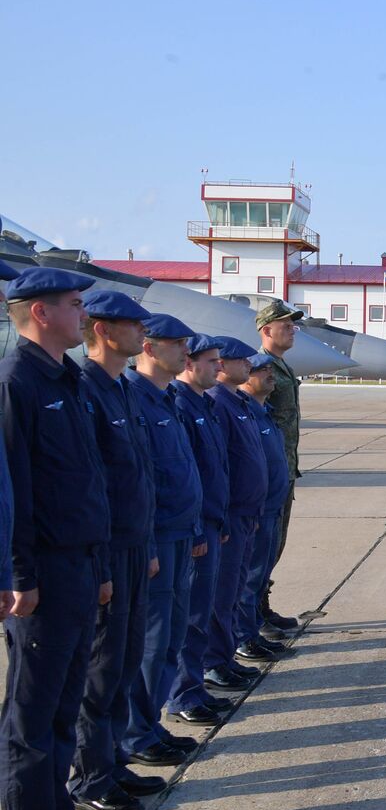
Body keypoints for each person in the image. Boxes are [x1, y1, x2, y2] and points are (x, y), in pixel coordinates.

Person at [0, 268, 116, 810]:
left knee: (64, 703)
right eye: (75, 306)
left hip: (78, 564)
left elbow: (87, 480)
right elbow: (13, 487)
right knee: (32, 713)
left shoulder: (67, 380)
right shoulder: (17, 382)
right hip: (41, 573)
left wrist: (98, 567)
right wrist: (19, 575)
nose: (83, 314)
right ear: (41, 313)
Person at [69, 292, 164, 810]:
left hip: (134, 546)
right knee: (101, 669)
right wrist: (103, 564)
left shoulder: (122, 391)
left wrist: (145, 545)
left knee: (125, 662)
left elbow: (138, 477)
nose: (140, 334)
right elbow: (94, 486)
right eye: (133, 325)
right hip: (107, 551)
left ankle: (114, 759)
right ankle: (91, 775)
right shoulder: (87, 390)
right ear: (104, 330)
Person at [121, 314, 203, 770]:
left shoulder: (166, 399)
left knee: (169, 636)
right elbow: (141, 481)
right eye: (177, 345)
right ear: (149, 348)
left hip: (179, 532)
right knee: (152, 642)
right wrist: (149, 543)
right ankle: (136, 733)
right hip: (156, 539)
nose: (185, 354)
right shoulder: (135, 397)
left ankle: (148, 725)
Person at [166, 334, 235, 726]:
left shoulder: (202, 405)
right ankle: (184, 694)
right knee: (190, 616)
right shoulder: (180, 404)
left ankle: (194, 687)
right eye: (211, 362)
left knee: (201, 610)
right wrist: (197, 527)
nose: (218, 368)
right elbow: (184, 476)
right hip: (195, 527)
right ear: (190, 364)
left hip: (210, 522)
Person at [202, 338, 268, 692]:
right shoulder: (218, 403)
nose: (248, 366)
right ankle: (214, 662)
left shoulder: (236, 401)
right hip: (229, 516)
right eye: (240, 360)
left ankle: (224, 657)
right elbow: (220, 467)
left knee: (233, 590)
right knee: (220, 594)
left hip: (246, 513)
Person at [232, 354, 292, 665]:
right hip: (255, 513)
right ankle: (243, 637)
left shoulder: (263, 412)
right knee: (248, 578)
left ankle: (252, 631)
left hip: (270, 509)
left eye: (270, 368)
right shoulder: (242, 413)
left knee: (259, 574)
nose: (269, 374)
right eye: (261, 369)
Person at [255, 300, 304, 635]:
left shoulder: (282, 366)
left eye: (292, 325)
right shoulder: (261, 367)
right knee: (263, 545)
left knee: (276, 543)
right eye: (285, 324)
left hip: (286, 468)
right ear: (266, 330)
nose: (292, 330)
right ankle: (253, 614)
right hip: (270, 471)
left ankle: (261, 604)